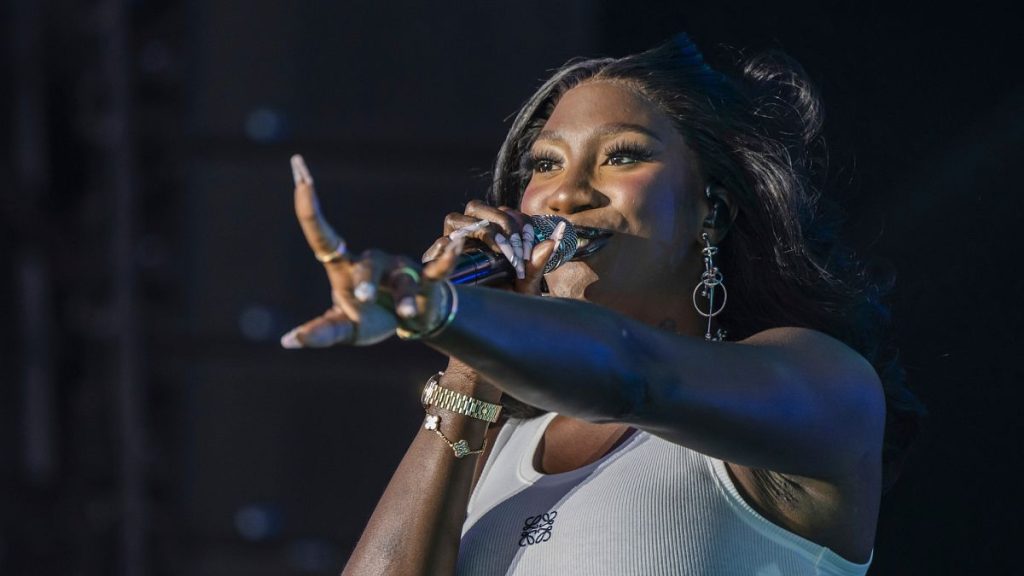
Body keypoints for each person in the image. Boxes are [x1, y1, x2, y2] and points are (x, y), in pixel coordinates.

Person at [280, 34, 922, 575]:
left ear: (714, 210)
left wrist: (444, 311)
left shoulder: (821, 386)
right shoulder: (500, 445)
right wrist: (467, 361)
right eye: (545, 164)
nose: (564, 196)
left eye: (622, 155)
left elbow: (634, 377)